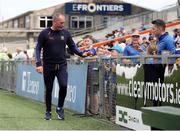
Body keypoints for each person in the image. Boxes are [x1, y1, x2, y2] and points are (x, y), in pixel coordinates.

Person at [35, 13, 86, 120]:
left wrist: (82, 54)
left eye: (63, 22)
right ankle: (48, 111)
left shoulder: (66, 33)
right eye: (61, 22)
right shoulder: (45, 33)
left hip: (62, 65)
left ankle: (59, 108)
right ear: (55, 21)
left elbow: (73, 47)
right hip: (48, 66)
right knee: (49, 89)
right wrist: (39, 63)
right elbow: (38, 48)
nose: (63, 24)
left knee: (63, 86)